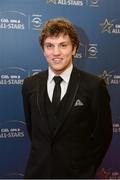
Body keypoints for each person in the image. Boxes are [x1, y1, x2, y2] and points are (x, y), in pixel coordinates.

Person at [22, 17, 113, 179]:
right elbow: (32, 129)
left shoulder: (94, 85)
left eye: (63, 45)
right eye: (49, 46)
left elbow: (103, 135)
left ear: (74, 49)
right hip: (37, 173)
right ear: (43, 50)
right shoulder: (30, 85)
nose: (56, 52)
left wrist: (85, 168)